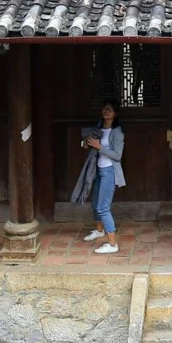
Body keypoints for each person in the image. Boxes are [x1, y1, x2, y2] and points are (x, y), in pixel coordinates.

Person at [70, 100, 124, 255]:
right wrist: (88, 143)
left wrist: (99, 146)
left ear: (115, 113)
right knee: (95, 204)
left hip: (109, 171)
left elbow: (117, 155)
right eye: (104, 108)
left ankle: (112, 243)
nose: (106, 111)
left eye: (109, 109)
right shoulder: (99, 127)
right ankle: (100, 231)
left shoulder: (117, 132)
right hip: (98, 169)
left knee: (103, 208)